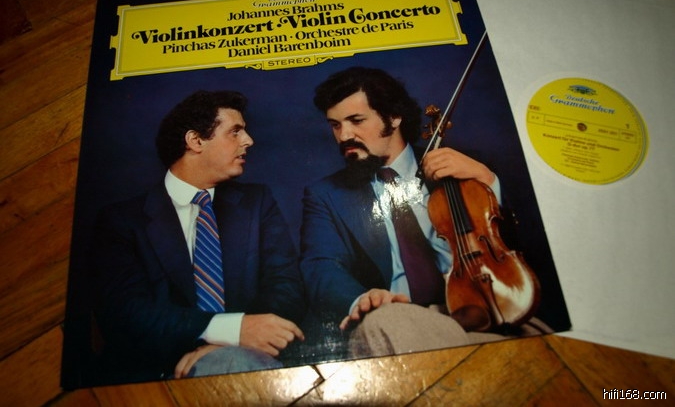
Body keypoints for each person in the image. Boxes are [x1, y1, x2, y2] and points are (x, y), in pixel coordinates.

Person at [300, 66, 548, 358]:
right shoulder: (325, 194)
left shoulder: (466, 167)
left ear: (394, 116)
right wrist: (362, 300)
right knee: (384, 323)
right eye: (335, 125)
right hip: (403, 318)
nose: (344, 136)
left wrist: (489, 182)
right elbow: (321, 266)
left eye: (356, 120)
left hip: (490, 305)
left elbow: (533, 243)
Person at [89, 90, 305, 383]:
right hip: (154, 374)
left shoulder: (257, 203)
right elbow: (125, 313)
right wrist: (230, 330)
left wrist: (230, 345)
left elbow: (286, 287)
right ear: (196, 141)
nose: (249, 141)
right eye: (235, 131)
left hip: (251, 360)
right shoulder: (121, 221)